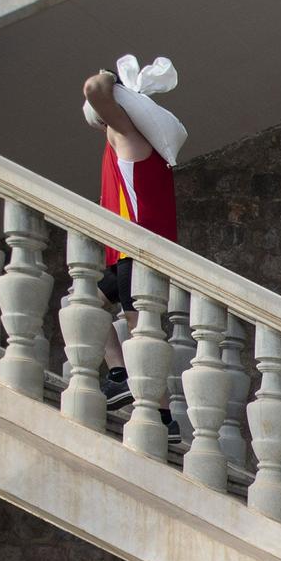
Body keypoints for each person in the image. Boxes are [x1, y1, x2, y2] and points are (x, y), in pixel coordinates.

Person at [82, 66, 178, 413]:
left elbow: (95, 88)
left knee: (142, 336)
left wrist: (108, 77)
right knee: (81, 302)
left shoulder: (128, 136)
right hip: (128, 253)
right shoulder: (134, 142)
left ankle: (162, 416)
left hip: (136, 254)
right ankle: (120, 374)